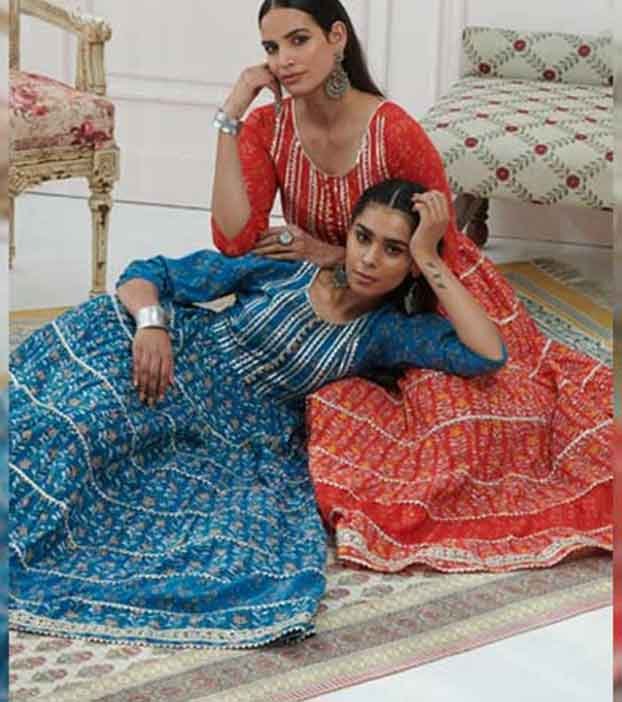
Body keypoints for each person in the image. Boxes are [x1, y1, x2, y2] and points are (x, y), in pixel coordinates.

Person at [9, 178, 507, 649]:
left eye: (394, 250)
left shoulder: (385, 332)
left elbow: (487, 353)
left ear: (412, 265)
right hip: (166, 358)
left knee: (205, 539)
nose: (370, 259)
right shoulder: (287, 267)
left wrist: (429, 255)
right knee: (66, 427)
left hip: (229, 432)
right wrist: (152, 325)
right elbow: (149, 274)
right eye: (363, 237)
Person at [210, 0, 613, 573]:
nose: (284, 61)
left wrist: (330, 252)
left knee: (455, 430)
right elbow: (233, 238)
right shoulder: (269, 127)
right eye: (271, 48)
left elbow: (436, 246)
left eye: (299, 40)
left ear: (337, 38)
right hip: (336, 301)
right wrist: (230, 115)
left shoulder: (392, 130)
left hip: (420, 293)